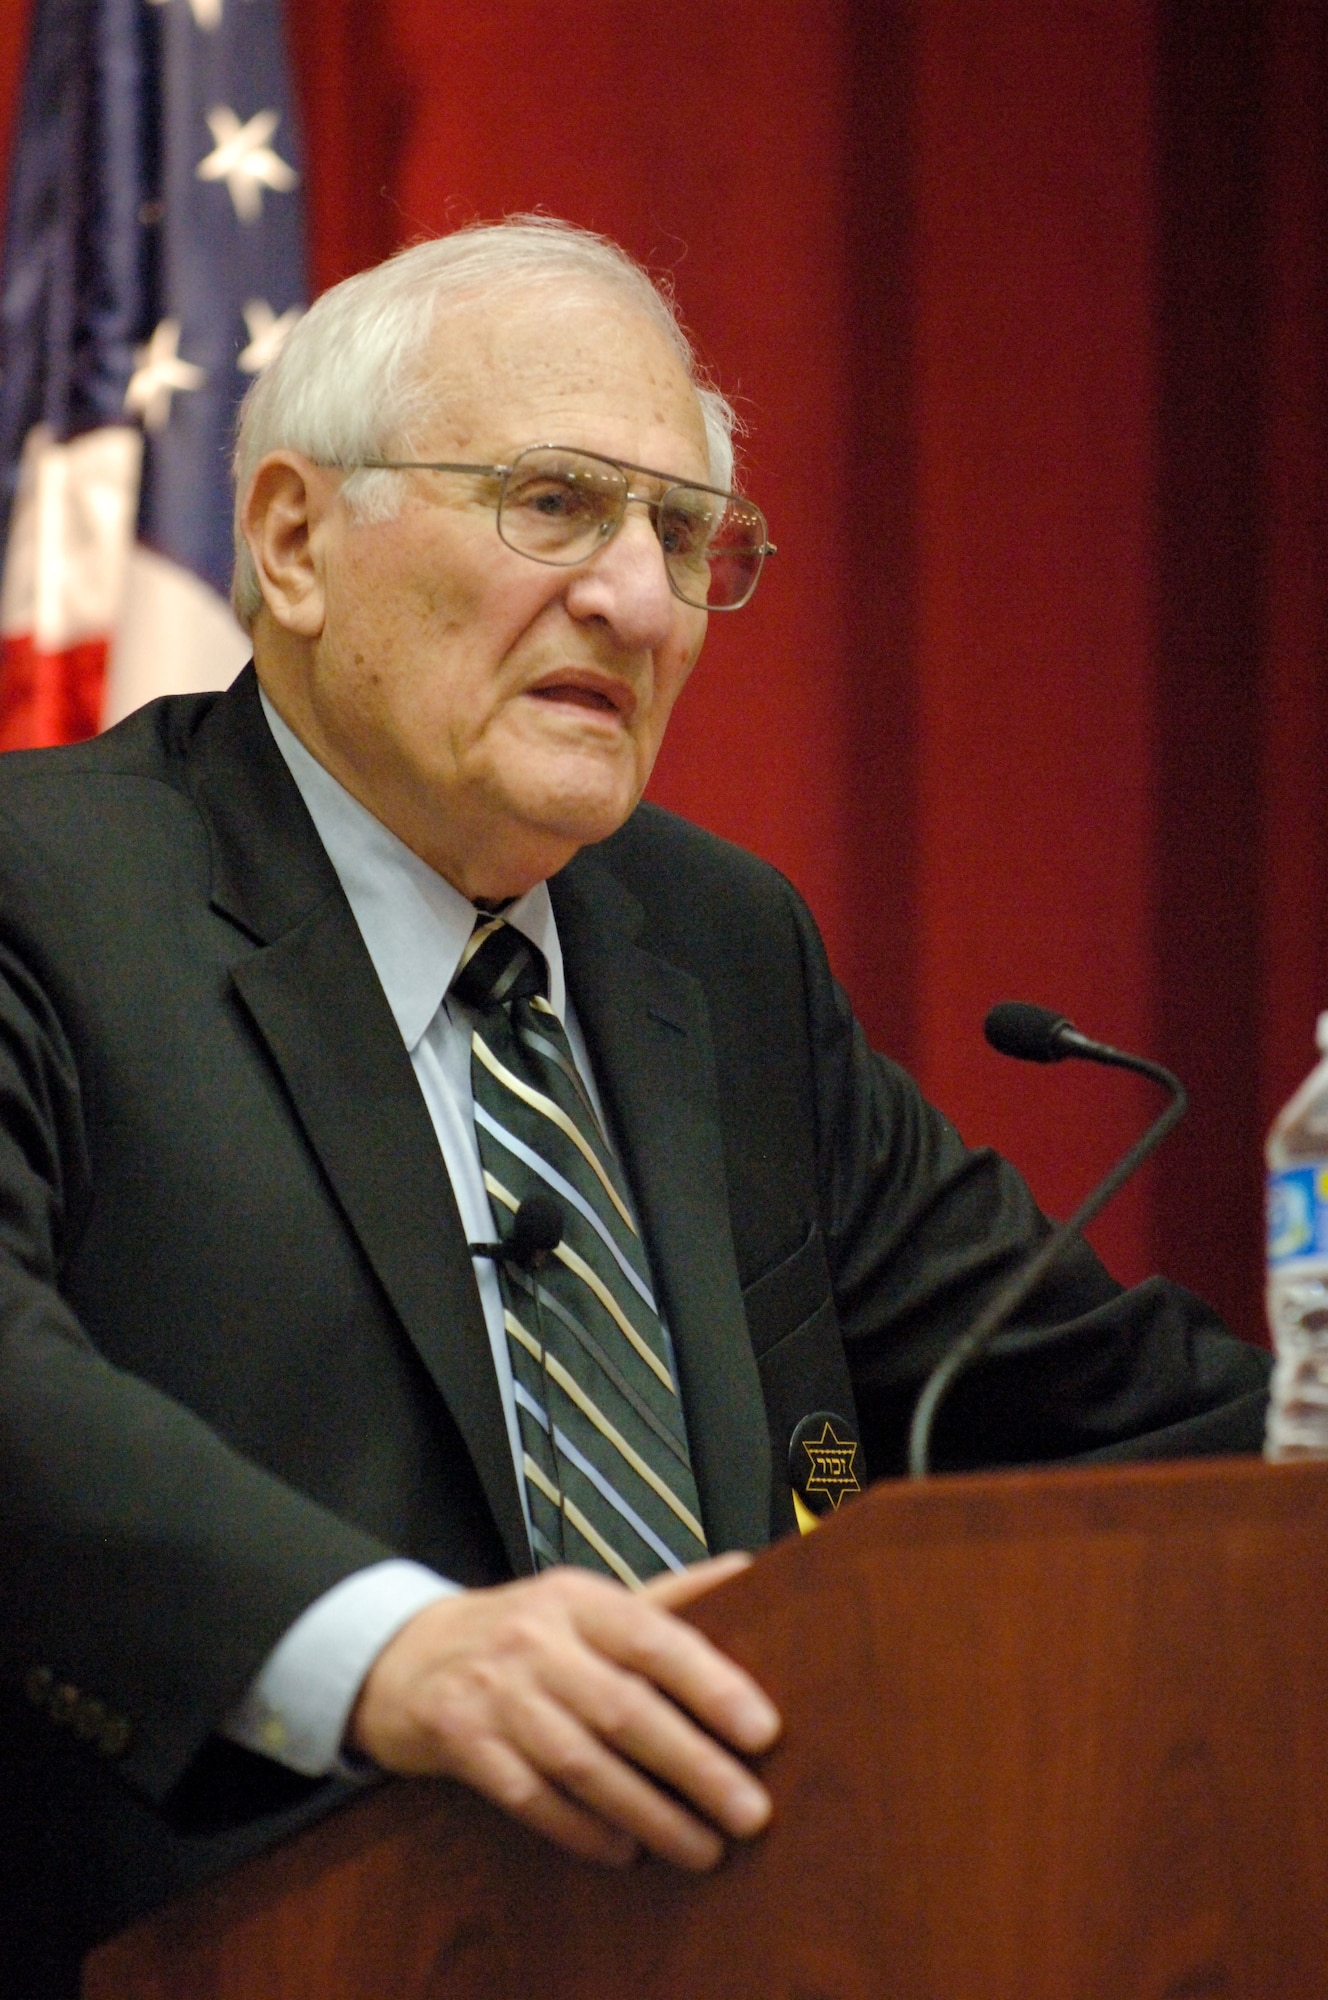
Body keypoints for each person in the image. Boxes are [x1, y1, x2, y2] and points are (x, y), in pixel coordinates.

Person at [0, 218, 1269, 1999]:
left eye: (683, 536)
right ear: (294, 541)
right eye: (552, 504)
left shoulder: (719, 950)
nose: (642, 601)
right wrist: (396, 1656)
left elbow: (1108, 1417)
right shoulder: (45, 890)